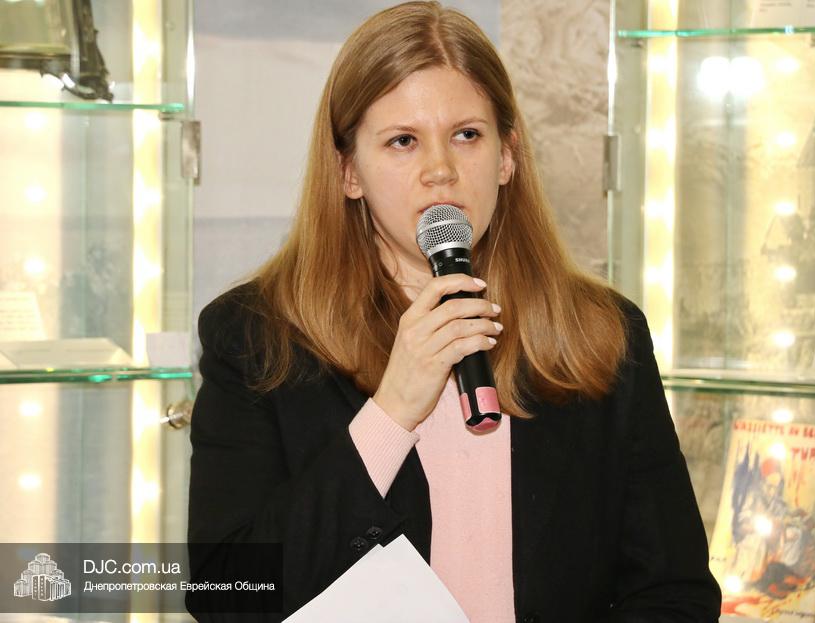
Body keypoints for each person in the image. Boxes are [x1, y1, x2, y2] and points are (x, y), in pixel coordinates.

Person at [186, 2, 721, 621]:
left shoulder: (601, 333)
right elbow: (226, 593)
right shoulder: (256, 337)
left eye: (467, 135)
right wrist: (390, 414)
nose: (440, 170)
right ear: (349, 171)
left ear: (506, 156)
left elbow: (674, 592)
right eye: (403, 141)